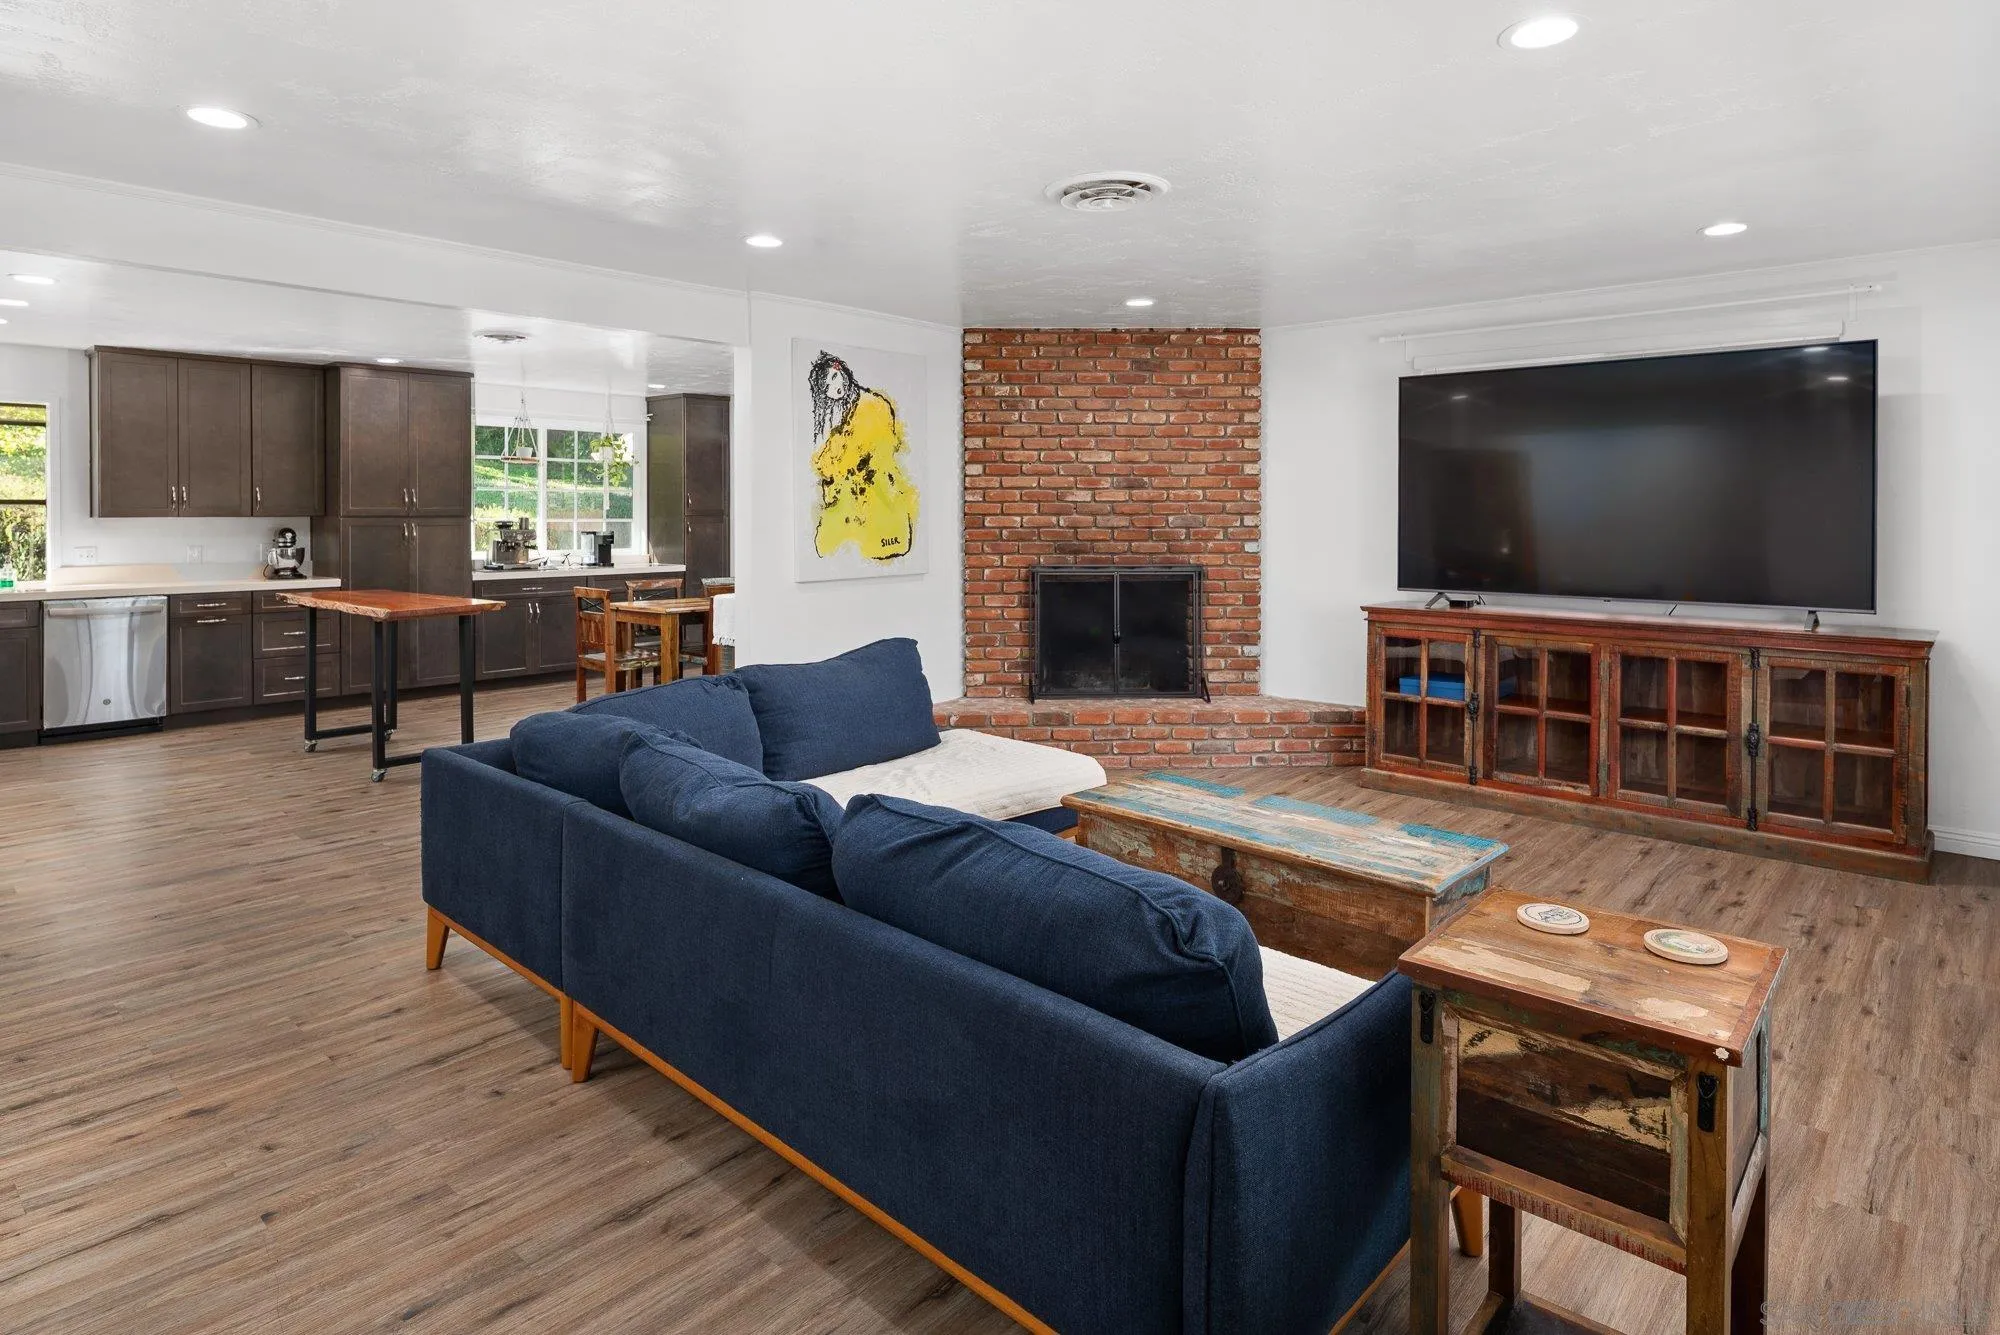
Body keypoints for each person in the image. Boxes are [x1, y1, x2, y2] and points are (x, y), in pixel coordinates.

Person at [806, 351, 919, 562]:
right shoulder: (845, 412)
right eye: (827, 387)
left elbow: (871, 448)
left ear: (841, 370)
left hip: (876, 491)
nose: (835, 388)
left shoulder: (872, 405)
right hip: (857, 496)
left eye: (834, 377)